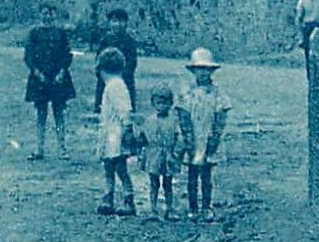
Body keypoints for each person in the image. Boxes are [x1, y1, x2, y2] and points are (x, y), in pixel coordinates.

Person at [177, 47, 232, 222]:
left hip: (208, 137)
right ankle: (193, 207)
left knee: (207, 176)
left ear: (212, 71)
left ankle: (207, 206)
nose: (202, 73)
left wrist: (214, 138)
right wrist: (188, 137)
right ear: (193, 70)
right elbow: (183, 114)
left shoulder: (217, 93)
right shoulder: (187, 92)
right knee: (192, 175)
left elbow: (221, 115)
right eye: (199, 69)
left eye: (206, 69)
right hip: (193, 138)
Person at [23, 2, 75, 159]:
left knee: (59, 113)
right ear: (40, 14)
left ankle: (62, 148)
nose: (47, 16)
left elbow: (67, 54)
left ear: (55, 15)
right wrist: (36, 72)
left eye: (51, 13)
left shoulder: (60, 33)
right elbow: (29, 56)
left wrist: (62, 72)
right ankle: (39, 148)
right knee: (41, 113)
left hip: (58, 79)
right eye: (44, 13)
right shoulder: (34, 33)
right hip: (39, 79)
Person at [93, 47, 136, 216]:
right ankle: (108, 196)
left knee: (120, 168)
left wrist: (126, 129)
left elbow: (125, 110)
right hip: (110, 133)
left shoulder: (115, 86)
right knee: (109, 167)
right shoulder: (113, 85)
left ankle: (128, 199)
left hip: (116, 135)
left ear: (101, 70)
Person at [136, 84, 187, 221]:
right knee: (153, 183)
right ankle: (153, 209)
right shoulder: (149, 121)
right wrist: (140, 152)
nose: (162, 106)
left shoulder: (174, 121)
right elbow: (142, 139)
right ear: (153, 103)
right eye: (158, 103)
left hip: (168, 155)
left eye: (165, 103)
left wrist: (176, 154)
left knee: (168, 183)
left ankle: (169, 208)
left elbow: (180, 139)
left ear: (171, 103)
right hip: (153, 155)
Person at [93, 7, 139, 113]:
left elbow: (131, 64)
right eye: (114, 21)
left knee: (124, 110)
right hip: (105, 81)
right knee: (103, 110)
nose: (117, 24)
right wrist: (104, 75)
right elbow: (98, 62)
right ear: (109, 23)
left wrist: (117, 77)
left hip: (123, 82)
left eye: (121, 21)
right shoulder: (105, 41)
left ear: (126, 23)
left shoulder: (129, 42)